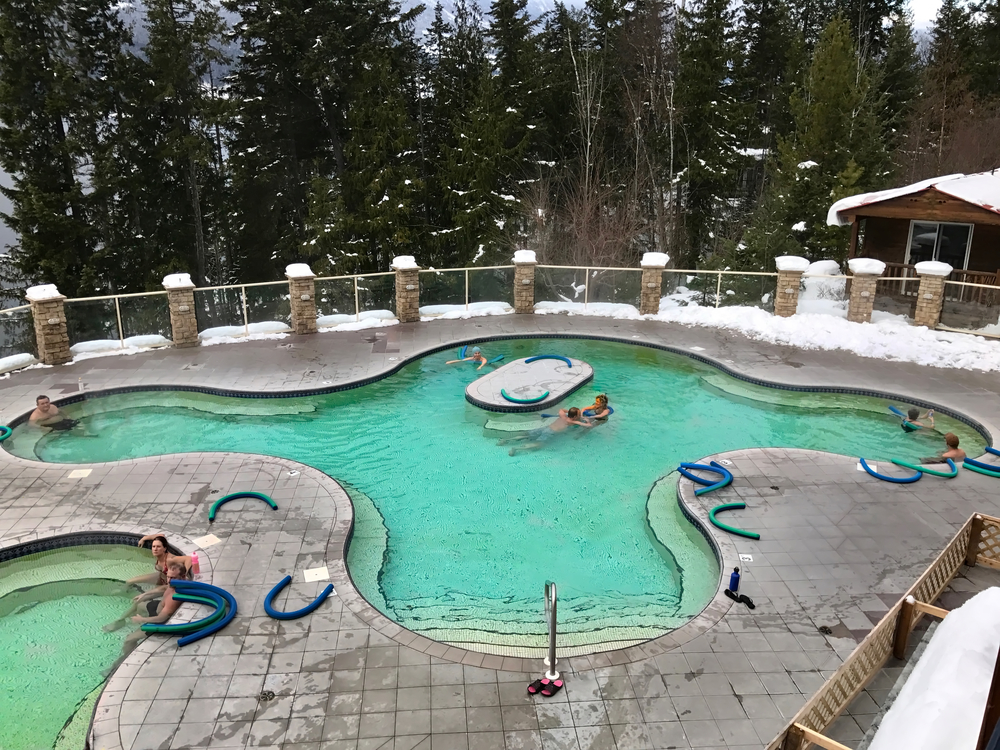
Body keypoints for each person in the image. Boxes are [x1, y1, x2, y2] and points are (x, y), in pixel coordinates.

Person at [104, 558, 185, 633]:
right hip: (158, 607)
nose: (169, 581)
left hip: (158, 620)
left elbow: (161, 618)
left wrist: (142, 619)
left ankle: (134, 622)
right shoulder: (174, 584)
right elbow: (164, 588)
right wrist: (144, 594)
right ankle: (122, 620)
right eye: (168, 577)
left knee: (129, 640)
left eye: (173, 578)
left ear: (183, 577)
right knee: (138, 603)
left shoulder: (174, 597)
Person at [503, 407, 592, 455]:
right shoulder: (572, 421)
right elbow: (588, 425)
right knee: (538, 445)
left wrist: (569, 411)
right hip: (550, 432)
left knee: (526, 436)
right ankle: (516, 448)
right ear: (575, 416)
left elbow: (561, 409)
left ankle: (505, 440)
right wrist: (587, 420)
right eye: (579, 414)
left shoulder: (563, 416)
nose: (580, 415)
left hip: (545, 427)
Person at [127, 534, 191, 591]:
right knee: (129, 581)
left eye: (158, 547)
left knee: (144, 596)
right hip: (160, 577)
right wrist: (144, 538)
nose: (155, 549)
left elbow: (189, 559)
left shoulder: (169, 559)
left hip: (168, 585)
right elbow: (161, 535)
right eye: (153, 546)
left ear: (164, 548)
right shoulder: (159, 556)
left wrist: (186, 576)